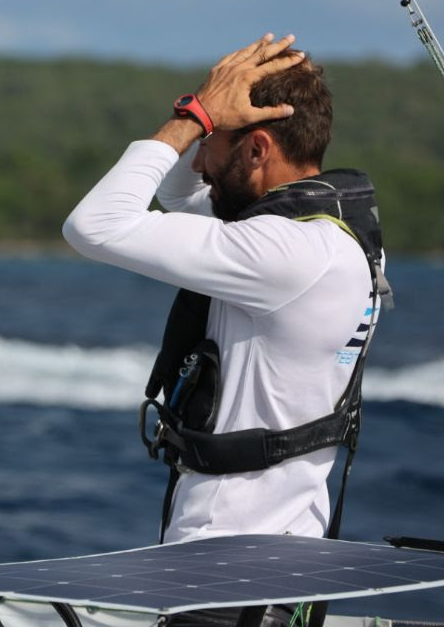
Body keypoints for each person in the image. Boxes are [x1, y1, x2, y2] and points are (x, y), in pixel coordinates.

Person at [63, 34, 387, 627]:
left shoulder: (278, 252)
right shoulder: (329, 237)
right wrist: (212, 119)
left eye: (210, 146)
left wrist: (193, 115)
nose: (199, 160)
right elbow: (176, 193)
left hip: (225, 575)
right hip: (287, 564)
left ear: (258, 147)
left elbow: (94, 224)